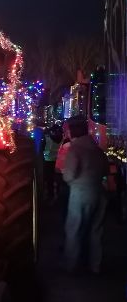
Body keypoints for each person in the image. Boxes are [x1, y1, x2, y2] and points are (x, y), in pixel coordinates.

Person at [62, 115, 109, 274]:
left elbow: (69, 175)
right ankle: (96, 266)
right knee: (96, 231)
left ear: (74, 130)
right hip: (99, 193)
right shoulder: (97, 150)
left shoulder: (75, 149)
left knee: (74, 230)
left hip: (80, 193)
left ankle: (72, 266)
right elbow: (105, 171)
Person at [42, 125, 62, 200]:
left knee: (48, 179)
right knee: (56, 179)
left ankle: (49, 195)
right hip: (58, 162)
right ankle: (55, 195)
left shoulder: (47, 138)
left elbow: (42, 148)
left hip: (47, 161)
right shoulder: (62, 138)